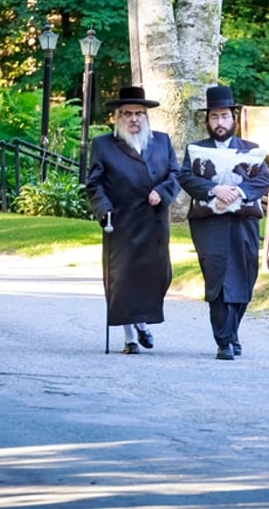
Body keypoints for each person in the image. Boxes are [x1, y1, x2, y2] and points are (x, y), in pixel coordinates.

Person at [85, 85, 181, 355]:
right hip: (121, 221)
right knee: (123, 280)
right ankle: (130, 337)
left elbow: (175, 174)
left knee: (158, 277)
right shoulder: (103, 145)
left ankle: (141, 321)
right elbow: (94, 184)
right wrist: (104, 210)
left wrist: (161, 192)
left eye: (139, 113)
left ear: (146, 116)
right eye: (127, 113)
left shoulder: (161, 141)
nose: (134, 119)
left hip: (154, 223)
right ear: (118, 117)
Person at [179, 85, 269, 360]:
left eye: (225, 116)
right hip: (209, 224)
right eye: (214, 117)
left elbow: (263, 180)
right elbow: (185, 177)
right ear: (207, 121)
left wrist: (237, 193)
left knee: (245, 277)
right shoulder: (196, 149)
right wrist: (214, 190)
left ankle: (232, 333)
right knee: (218, 278)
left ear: (234, 118)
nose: (220, 123)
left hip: (243, 222)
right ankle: (224, 342)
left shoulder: (251, 151)